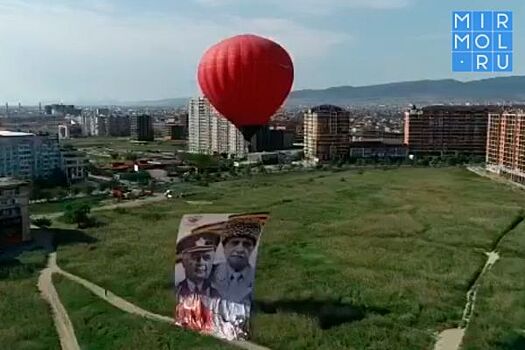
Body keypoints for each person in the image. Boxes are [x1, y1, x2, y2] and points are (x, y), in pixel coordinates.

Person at [174, 222, 223, 333]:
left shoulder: (218, 293)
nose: (201, 263)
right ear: (183, 262)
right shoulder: (178, 291)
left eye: (206, 257)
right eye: (195, 257)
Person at [211, 213, 269, 304]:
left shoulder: (261, 276)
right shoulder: (209, 273)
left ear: (253, 248)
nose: (240, 249)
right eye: (235, 243)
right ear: (224, 246)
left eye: (246, 244)